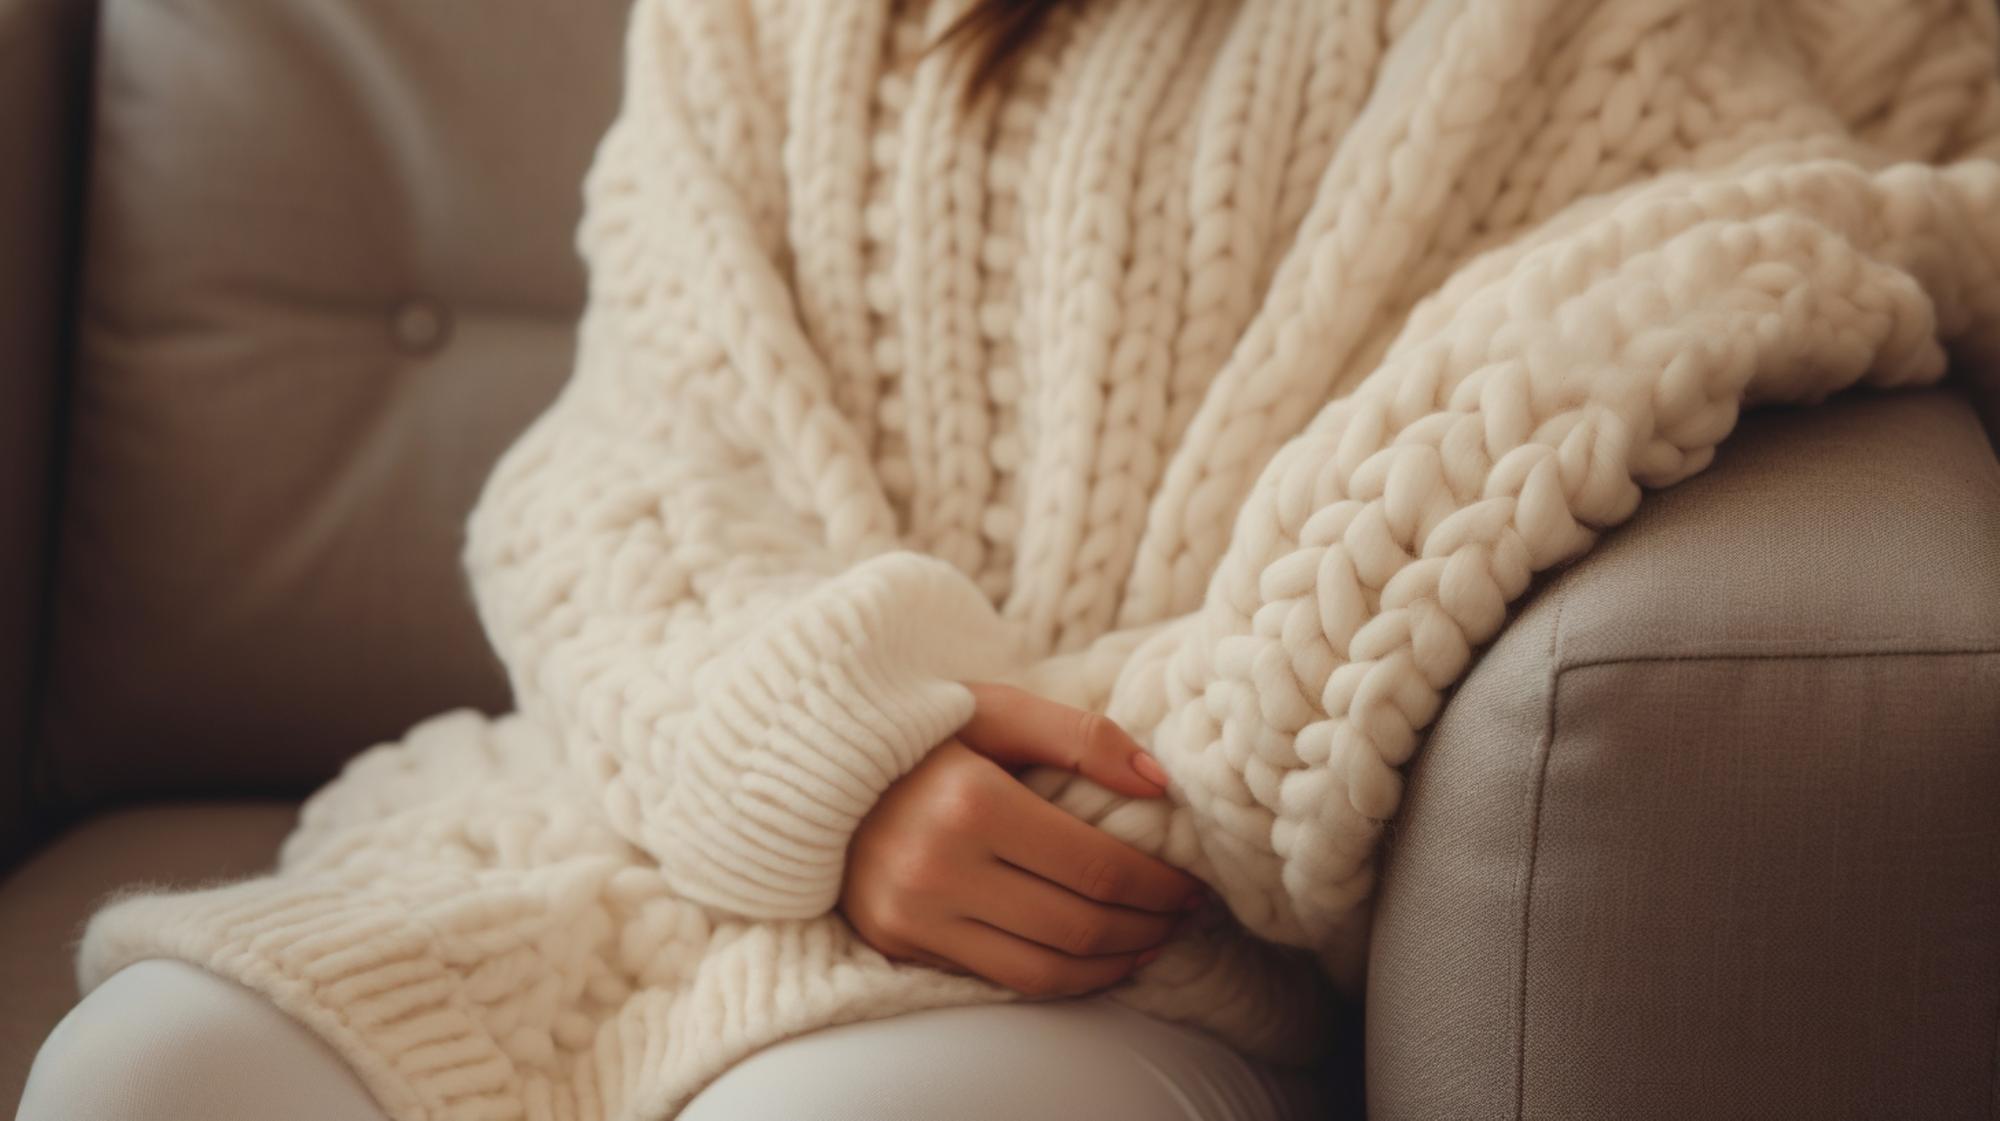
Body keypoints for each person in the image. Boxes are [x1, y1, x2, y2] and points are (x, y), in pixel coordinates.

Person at [21, 0, 2000, 1118]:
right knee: (145, 1075)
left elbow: (1842, 217)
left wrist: (1080, 768)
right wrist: (821, 764)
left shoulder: (1593, 39)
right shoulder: (770, 23)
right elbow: (621, 461)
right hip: (644, 815)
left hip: (1118, 921)